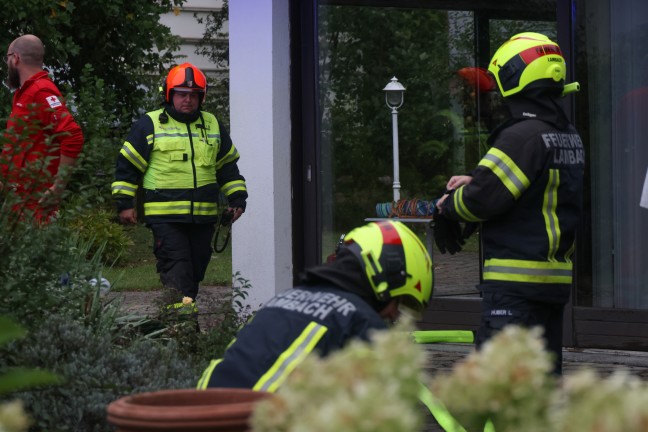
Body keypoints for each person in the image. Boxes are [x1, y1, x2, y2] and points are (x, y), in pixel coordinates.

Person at [436, 33, 585, 374]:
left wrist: (447, 207)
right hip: (552, 282)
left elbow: (481, 200)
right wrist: (477, 182)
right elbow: (528, 185)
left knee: (503, 388)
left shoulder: (522, 134)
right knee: (540, 385)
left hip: (514, 288)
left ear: (514, 75)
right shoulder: (565, 133)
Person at [197, 220, 433, 392]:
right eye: (399, 301)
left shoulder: (285, 298)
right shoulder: (361, 322)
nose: (393, 314)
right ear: (386, 278)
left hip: (204, 412)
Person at [111, 62, 247, 307]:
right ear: (169, 95)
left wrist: (237, 199)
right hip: (166, 219)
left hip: (203, 218)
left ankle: (177, 327)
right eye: (182, 94)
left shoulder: (212, 124)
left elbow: (227, 166)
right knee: (178, 274)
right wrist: (124, 204)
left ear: (201, 97)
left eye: (194, 95)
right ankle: (182, 332)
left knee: (194, 276)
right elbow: (127, 165)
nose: (188, 100)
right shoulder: (150, 124)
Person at [1, 34, 84, 223]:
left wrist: (58, 187)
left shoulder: (41, 91)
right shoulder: (24, 94)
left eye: (7, 59)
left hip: (35, 205)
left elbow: (72, 135)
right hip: (17, 201)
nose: (7, 64)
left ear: (16, 58)